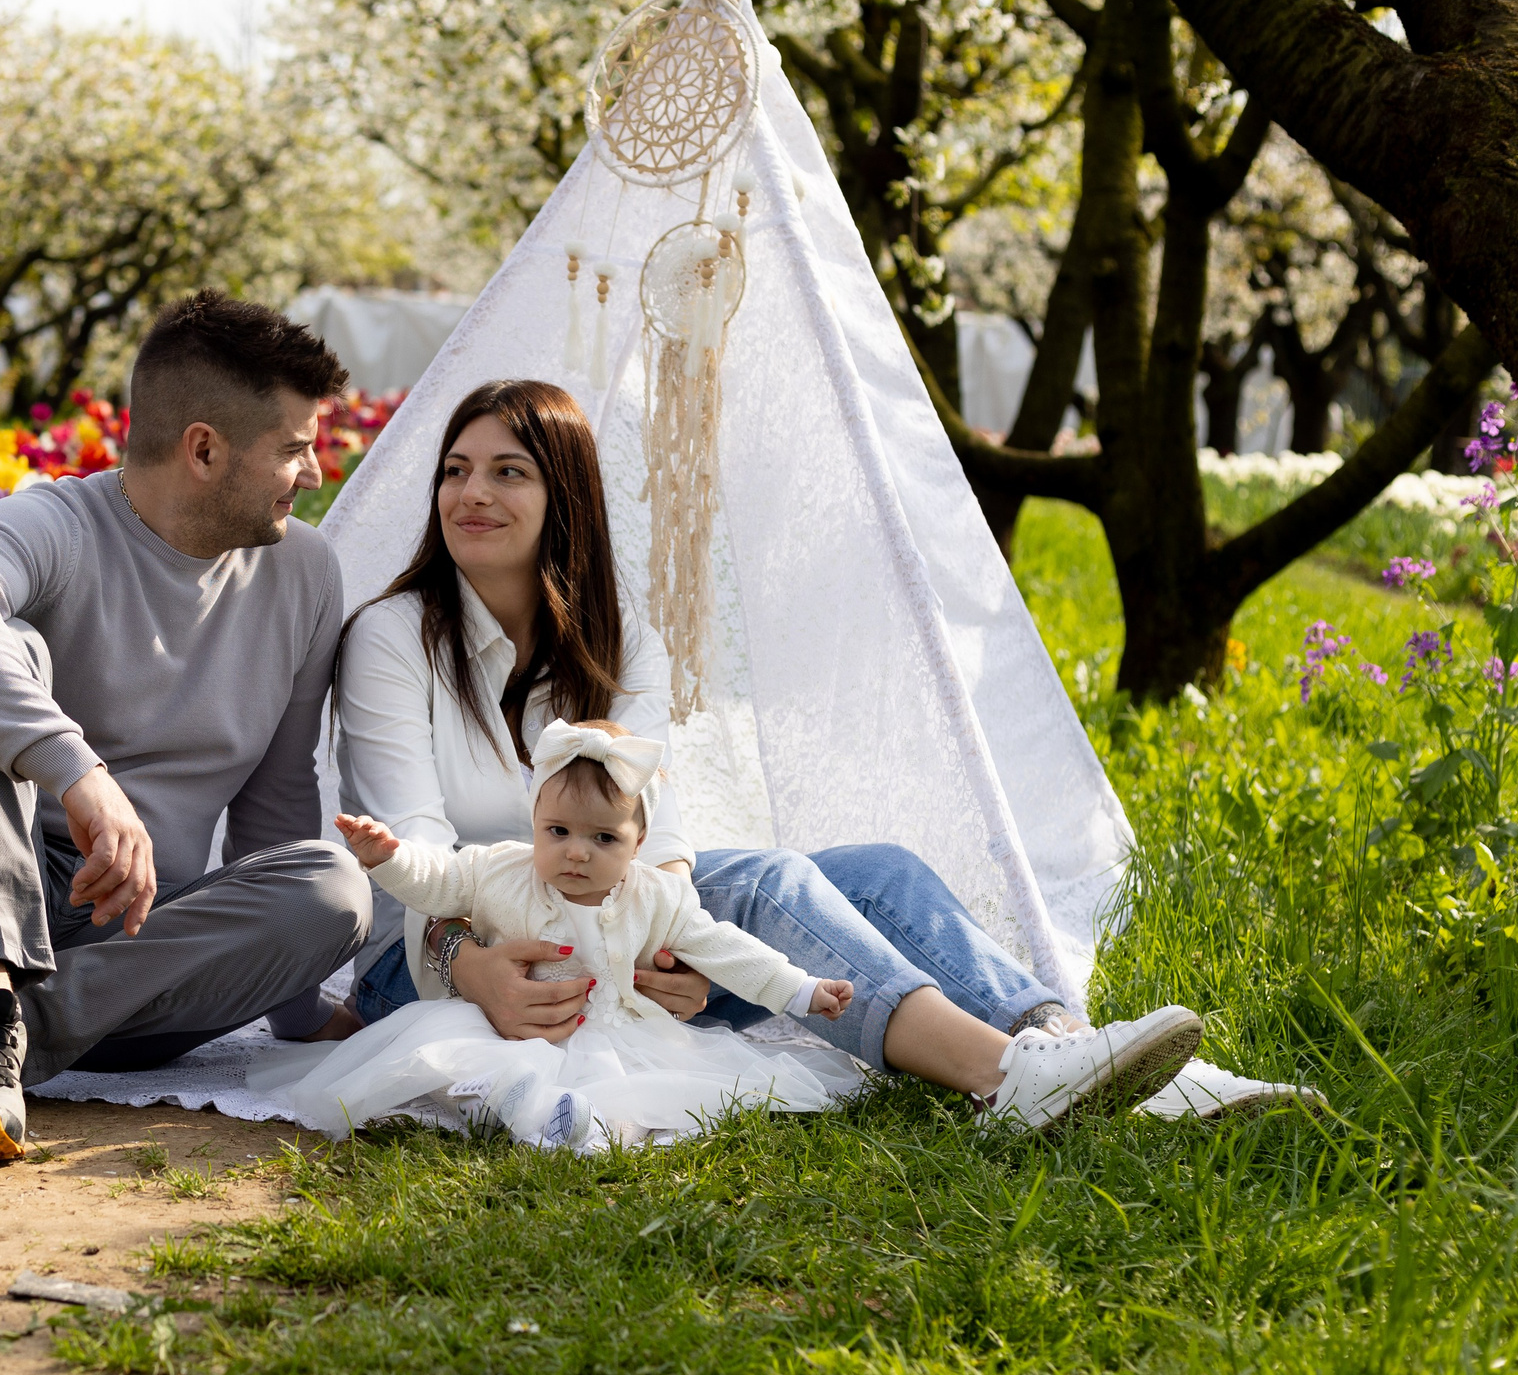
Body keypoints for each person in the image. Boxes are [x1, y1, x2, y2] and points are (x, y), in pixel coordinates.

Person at [334, 377, 1315, 1123]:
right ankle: (1003, 1081)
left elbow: (655, 829)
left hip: (608, 929)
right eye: (456, 470)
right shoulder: (394, 639)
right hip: (444, 950)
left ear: (566, 497)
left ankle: (1080, 1053)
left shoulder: (617, 639)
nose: (472, 492)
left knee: (878, 871)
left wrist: (673, 947)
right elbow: (415, 861)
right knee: (762, 884)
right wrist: (474, 973)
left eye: (508, 471)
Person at [0, 291, 375, 1160]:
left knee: (333, 887)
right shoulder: (63, 523)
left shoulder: (304, 573)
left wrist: (295, 997)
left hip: (127, 955)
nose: (312, 473)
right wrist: (78, 771)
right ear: (204, 449)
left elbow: (277, 804)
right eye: (296, 449)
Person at [256, 718, 887, 1149]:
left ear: (639, 842)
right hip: (507, 1022)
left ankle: (588, 1126)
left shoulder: (655, 896)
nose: (576, 854)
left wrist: (801, 990)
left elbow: (729, 950)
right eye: (557, 831)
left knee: (635, 1091)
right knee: (453, 1057)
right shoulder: (501, 869)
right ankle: (522, 1102)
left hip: (612, 1030)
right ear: (534, 820)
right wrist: (387, 857)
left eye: (603, 838)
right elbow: (438, 882)